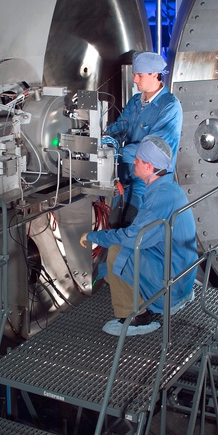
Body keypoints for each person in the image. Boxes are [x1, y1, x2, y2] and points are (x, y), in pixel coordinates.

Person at [79, 136, 198, 337]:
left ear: (149, 167)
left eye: (139, 160)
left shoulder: (158, 198)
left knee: (118, 252)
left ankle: (135, 318)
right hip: (183, 274)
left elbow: (133, 239)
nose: (134, 161)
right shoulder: (168, 188)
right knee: (117, 258)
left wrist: (94, 236)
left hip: (174, 284)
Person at [103, 51, 182, 226]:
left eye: (139, 75)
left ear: (154, 74)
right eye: (134, 75)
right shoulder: (135, 102)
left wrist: (118, 151)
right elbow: (121, 127)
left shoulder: (170, 106)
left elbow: (153, 148)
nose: (135, 80)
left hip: (150, 181)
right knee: (114, 223)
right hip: (127, 176)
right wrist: (102, 138)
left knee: (135, 227)